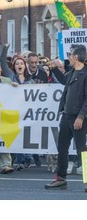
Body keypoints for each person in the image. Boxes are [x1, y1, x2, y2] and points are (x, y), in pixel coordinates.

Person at [45, 44, 87, 191]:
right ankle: (61, 179)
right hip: (67, 115)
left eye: (70, 54)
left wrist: (81, 117)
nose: (68, 56)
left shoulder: (85, 74)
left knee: (82, 150)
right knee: (62, 147)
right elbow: (64, 80)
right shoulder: (72, 72)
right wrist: (54, 68)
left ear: (76, 57)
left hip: (78, 117)